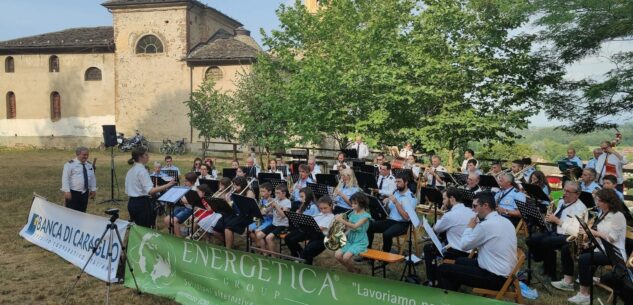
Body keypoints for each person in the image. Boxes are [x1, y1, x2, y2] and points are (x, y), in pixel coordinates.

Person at [553, 189, 627, 305]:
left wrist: (591, 232)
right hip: (601, 248)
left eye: (598, 200)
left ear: (607, 202)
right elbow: (600, 237)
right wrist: (588, 243)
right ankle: (568, 281)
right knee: (567, 248)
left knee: (585, 258)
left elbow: (612, 238)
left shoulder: (618, 216)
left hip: (614, 253)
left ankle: (585, 294)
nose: (596, 203)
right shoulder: (603, 213)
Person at [437, 192, 517, 292]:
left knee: (443, 269)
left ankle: (444, 299)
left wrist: (469, 227)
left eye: (475, 206)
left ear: (485, 206)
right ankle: (452, 292)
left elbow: (464, 246)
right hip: (505, 273)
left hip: (495, 277)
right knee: (460, 261)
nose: (473, 210)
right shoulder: (505, 221)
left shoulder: (487, 225)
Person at [526, 181, 587, 280]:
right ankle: (541, 258)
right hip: (555, 231)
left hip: (569, 236)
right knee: (530, 239)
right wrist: (550, 218)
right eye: (564, 190)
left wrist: (558, 221)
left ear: (577, 194)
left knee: (546, 242)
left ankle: (551, 274)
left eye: (568, 192)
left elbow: (576, 231)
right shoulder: (562, 201)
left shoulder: (580, 209)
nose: (564, 194)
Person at [423, 187, 475, 287]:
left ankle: (432, 280)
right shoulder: (471, 211)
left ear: (452, 199)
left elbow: (436, 229)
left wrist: (440, 215)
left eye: (444, 199)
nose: (443, 202)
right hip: (471, 253)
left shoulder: (450, 215)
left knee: (428, 249)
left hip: (457, 252)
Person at [367, 173, 418, 253]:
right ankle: (367, 252)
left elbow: (406, 217)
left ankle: (385, 258)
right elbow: (389, 210)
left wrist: (396, 202)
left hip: (402, 224)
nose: (396, 184)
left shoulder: (411, 198)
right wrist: (385, 204)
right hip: (391, 220)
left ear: (406, 182)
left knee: (387, 234)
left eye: (399, 182)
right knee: (369, 226)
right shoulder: (396, 193)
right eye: (396, 182)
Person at [125, 147, 176, 228]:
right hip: (141, 204)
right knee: (143, 230)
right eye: (146, 155)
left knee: (135, 229)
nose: (148, 156)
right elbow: (151, 191)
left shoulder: (130, 170)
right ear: (140, 157)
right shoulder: (142, 171)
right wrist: (168, 184)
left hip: (131, 202)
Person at [285, 196, 335, 265]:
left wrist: (308, 223)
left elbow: (319, 228)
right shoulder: (320, 214)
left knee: (308, 252)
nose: (323, 210)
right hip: (314, 236)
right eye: (321, 208)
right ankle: (302, 260)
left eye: (325, 208)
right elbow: (311, 221)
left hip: (322, 239)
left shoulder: (331, 217)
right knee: (307, 252)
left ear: (331, 206)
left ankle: (305, 265)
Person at [214, 176, 255, 249]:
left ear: (243, 185)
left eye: (237, 185)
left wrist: (235, 201)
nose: (235, 187)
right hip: (233, 214)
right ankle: (231, 244)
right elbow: (231, 207)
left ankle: (228, 249)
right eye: (234, 185)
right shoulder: (233, 192)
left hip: (244, 216)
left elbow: (248, 208)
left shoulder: (249, 192)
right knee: (216, 230)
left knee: (228, 228)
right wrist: (226, 201)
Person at [334, 192, 371, 273]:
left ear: (362, 204)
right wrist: (341, 226)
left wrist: (342, 220)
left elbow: (355, 226)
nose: (352, 205)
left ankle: (351, 272)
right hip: (350, 239)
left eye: (355, 204)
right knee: (337, 255)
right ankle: (353, 270)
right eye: (352, 203)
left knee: (346, 257)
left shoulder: (366, 216)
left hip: (360, 241)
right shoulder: (352, 213)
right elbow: (349, 227)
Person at [256, 184, 291, 255]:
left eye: (278, 193)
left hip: (282, 225)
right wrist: (265, 209)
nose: (276, 195)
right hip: (274, 223)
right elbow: (266, 211)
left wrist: (276, 205)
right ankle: (265, 254)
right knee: (259, 235)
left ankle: (274, 257)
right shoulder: (275, 200)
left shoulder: (287, 202)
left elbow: (283, 215)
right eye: (275, 193)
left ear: (284, 193)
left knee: (268, 238)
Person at [61, 147, 97, 212]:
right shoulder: (69, 165)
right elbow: (65, 178)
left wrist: (93, 189)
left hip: (85, 192)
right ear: (78, 154)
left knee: (83, 211)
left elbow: (92, 178)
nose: (86, 156)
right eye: (84, 155)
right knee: (71, 211)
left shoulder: (89, 165)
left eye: (87, 155)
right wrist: (67, 191)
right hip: (73, 192)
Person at [163, 172, 197, 237]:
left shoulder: (194, 190)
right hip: (183, 207)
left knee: (174, 221)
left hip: (190, 209)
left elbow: (188, 201)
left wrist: (181, 199)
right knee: (166, 219)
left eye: (187, 181)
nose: (185, 183)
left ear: (192, 182)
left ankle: (179, 238)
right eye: (185, 181)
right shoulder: (185, 187)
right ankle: (174, 234)